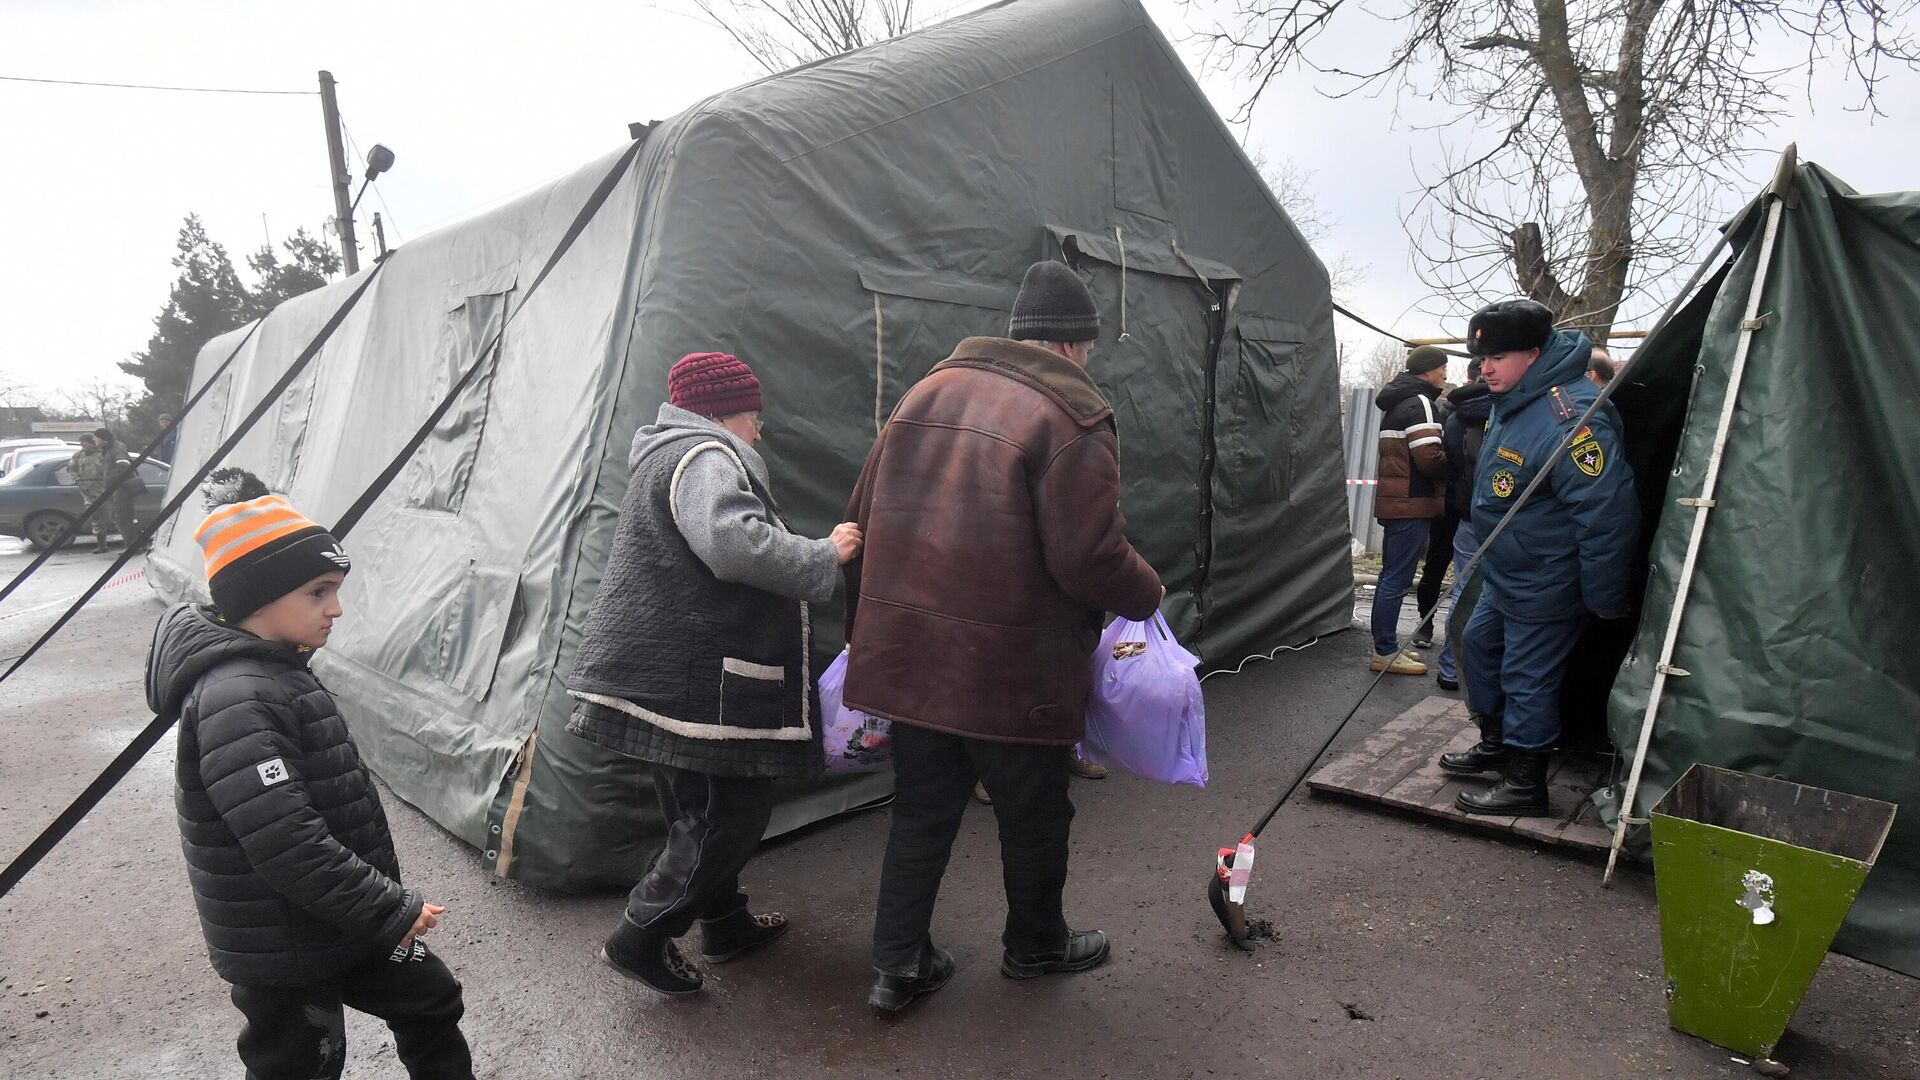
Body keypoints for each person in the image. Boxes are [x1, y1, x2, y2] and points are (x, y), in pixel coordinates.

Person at [844, 260, 1163, 1015]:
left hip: (911, 658)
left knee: (921, 811)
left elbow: (861, 514)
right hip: (1013, 667)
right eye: (1086, 348)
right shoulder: (1071, 413)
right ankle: (1036, 947)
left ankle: (896, 967)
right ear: (1070, 346)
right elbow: (1087, 555)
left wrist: (869, 634)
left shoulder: (923, 394)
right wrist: (1147, 595)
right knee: (1035, 813)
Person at [147, 468, 474, 1080]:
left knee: (431, 998)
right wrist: (390, 908)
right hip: (286, 941)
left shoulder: (278, 670)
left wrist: (376, 912)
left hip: (341, 917)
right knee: (299, 1064)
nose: (337, 608)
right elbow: (285, 840)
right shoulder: (238, 697)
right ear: (258, 597)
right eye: (319, 592)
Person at [566, 351, 863, 997]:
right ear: (724, 413)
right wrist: (824, 554)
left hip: (666, 676)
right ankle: (640, 935)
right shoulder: (704, 456)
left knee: (697, 815)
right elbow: (735, 545)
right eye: (755, 419)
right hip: (696, 683)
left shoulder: (664, 453)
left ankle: (725, 924)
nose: (758, 432)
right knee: (727, 816)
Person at [1437, 300, 1639, 817]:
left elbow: (1607, 516)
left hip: (1548, 576)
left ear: (1534, 352)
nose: (1485, 368)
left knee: (1528, 677)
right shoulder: (1516, 399)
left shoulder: (1572, 418)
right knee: (1477, 644)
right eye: (1480, 358)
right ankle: (1498, 744)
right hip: (1507, 570)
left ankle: (1527, 783)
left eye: (1497, 357)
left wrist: (1605, 597)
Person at [1369, 345, 1450, 675]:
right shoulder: (1421, 404)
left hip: (1395, 501)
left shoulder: (1398, 402)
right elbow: (1429, 458)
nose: (1445, 374)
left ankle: (1384, 647)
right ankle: (1385, 651)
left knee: (1390, 575)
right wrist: (1455, 471)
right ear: (1427, 370)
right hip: (1411, 503)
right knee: (1396, 578)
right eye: (1442, 367)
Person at [1433, 359, 1493, 693]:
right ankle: (1486, 673)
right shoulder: (1512, 414)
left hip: (1469, 516)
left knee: (1463, 591)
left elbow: (1448, 462)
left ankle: (1450, 669)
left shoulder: (1457, 417)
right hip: (1510, 521)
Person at [67, 433, 116, 553]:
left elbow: (112, 469)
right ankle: (102, 545)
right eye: (81, 442)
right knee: (96, 517)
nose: (83, 444)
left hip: (103, 488)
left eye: (85, 442)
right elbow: (71, 469)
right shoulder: (79, 455)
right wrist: (77, 480)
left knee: (113, 515)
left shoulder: (103, 454)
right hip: (87, 490)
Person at [95, 427, 143, 547]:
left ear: (102, 438)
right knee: (119, 518)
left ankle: (134, 546)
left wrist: (111, 480)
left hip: (121, 489)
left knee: (124, 518)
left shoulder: (117, 447)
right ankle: (131, 544)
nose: (93, 440)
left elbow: (123, 464)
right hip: (114, 490)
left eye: (95, 438)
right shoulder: (107, 449)